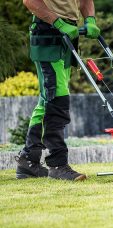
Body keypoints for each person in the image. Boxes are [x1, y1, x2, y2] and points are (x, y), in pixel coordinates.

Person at [16, 0, 101, 181]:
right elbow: (30, 1)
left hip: (68, 34)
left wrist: (90, 19)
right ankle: (57, 164)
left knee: (47, 99)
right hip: (48, 33)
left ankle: (28, 161)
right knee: (57, 99)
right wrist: (58, 22)